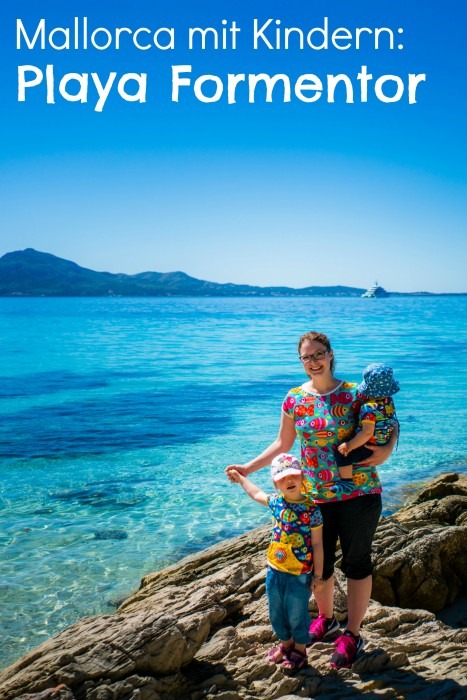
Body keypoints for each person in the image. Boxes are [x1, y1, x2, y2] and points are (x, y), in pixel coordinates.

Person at [225, 331, 398, 670]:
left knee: (357, 562)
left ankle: (352, 634)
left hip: (359, 492)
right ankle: (327, 618)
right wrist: (248, 467)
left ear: (331, 355)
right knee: (320, 565)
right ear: (300, 361)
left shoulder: (355, 393)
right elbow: (282, 443)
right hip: (314, 497)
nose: (314, 361)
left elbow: (388, 421)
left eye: (319, 353)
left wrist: (389, 448)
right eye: (307, 356)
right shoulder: (293, 399)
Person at [229, 452, 324, 671]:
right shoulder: (276, 502)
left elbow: (318, 545)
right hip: (274, 569)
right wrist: (241, 477)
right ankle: (286, 644)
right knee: (276, 612)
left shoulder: (312, 511)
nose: (289, 481)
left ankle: (300, 650)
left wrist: (318, 576)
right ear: (276, 483)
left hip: (300, 573)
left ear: (302, 477)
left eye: (293, 475)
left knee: (297, 612)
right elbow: (255, 493)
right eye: (282, 478)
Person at [334, 363, 400, 494]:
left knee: (341, 452)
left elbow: (367, 432)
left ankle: (346, 482)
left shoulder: (369, 408)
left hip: (368, 446)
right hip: (383, 441)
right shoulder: (389, 402)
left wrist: (350, 445)